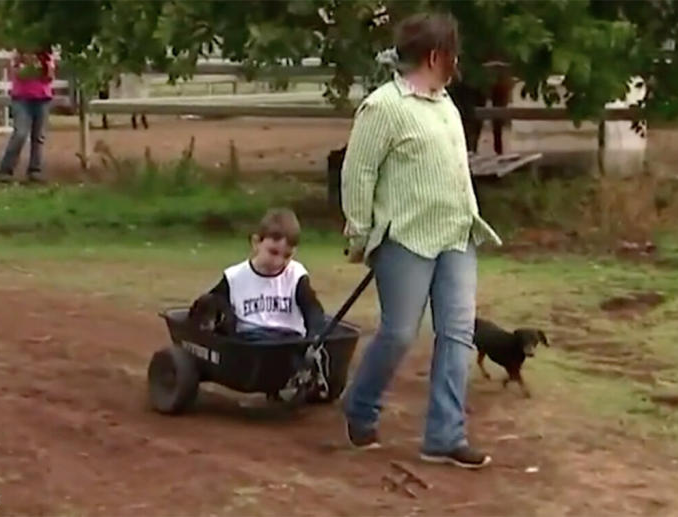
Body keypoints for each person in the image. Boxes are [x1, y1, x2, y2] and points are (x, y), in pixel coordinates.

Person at [339, 12, 502, 469]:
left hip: (455, 234)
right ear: (436, 56)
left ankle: (445, 436)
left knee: (457, 333)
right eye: (452, 53)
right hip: (405, 238)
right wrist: (359, 233)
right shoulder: (383, 107)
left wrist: (470, 217)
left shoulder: (444, 103)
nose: (457, 62)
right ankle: (360, 408)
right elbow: (358, 173)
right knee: (398, 333)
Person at [189, 208, 326, 343]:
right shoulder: (235, 277)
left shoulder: (296, 276)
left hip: (288, 343)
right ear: (256, 243)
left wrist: (315, 335)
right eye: (273, 252)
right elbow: (211, 304)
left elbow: (312, 309)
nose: (278, 262)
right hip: (249, 343)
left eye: (287, 255)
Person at [0, 44, 55, 184]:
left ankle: (35, 170)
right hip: (22, 98)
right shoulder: (18, 56)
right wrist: (30, 67)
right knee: (20, 133)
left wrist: (43, 67)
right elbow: (17, 73)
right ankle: (5, 170)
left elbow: (49, 77)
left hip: (42, 97)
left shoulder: (46, 56)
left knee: (39, 136)